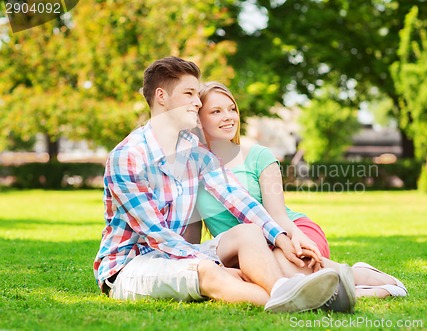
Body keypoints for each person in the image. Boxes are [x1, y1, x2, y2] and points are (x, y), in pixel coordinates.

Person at [93, 56, 341, 313]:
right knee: (207, 270)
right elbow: (157, 236)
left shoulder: (192, 150)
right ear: (161, 97)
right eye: (189, 93)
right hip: (131, 265)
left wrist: (279, 237)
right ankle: (304, 301)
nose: (197, 102)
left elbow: (236, 196)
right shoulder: (129, 157)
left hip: (177, 255)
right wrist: (214, 263)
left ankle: (283, 289)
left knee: (249, 232)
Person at [193, 81, 408, 309]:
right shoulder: (192, 172)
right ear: (198, 119)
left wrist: (296, 239)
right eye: (216, 111)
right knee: (267, 271)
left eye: (231, 109)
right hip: (246, 251)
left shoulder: (258, 156)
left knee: (281, 264)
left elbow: (278, 215)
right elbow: (191, 238)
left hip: (292, 230)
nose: (228, 117)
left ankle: (363, 279)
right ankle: (338, 288)